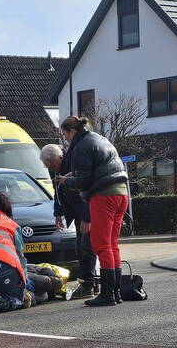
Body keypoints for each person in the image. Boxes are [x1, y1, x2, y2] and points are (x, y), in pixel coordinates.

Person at [54, 115, 128, 307]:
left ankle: (107, 294)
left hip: (103, 196)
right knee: (113, 244)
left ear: (72, 131)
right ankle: (116, 291)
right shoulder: (99, 138)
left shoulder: (81, 146)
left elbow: (83, 182)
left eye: (65, 134)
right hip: (122, 194)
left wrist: (65, 180)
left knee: (101, 245)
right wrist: (75, 175)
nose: (65, 139)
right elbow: (97, 169)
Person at [40, 143, 98, 297]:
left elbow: (85, 190)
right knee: (80, 247)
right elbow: (57, 191)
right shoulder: (54, 166)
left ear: (60, 157)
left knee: (87, 247)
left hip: (84, 211)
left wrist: (87, 218)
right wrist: (57, 213)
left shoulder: (74, 162)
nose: (51, 170)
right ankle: (89, 283)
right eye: (48, 167)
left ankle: (89, 285)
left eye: (52, 165)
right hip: (77, 212)